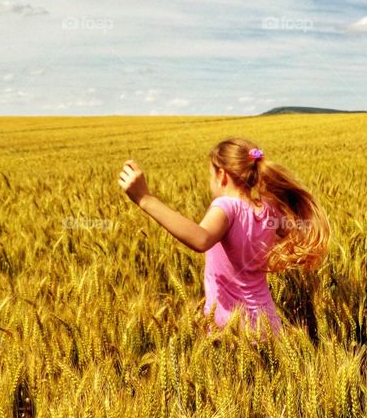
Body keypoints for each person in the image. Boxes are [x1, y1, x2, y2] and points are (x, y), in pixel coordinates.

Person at [118, 137, 330, 339]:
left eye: (211, 176)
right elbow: (290, 229)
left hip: (231, 328)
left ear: (222, 175)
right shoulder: (268, 209)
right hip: (267, 323)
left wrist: (145, 199)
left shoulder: (226, 207)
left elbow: (201, 239)